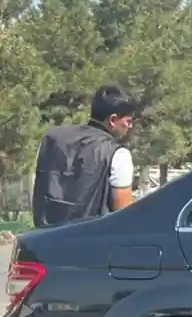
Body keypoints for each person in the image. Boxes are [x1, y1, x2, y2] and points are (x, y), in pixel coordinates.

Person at [31, 84, 138, 228]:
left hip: (44, 241)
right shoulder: (118, 154)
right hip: (92, 243)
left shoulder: (52, 139)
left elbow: (39, 191)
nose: (130, 126)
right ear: (112, 120)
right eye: (128, 121)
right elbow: (124, 216)